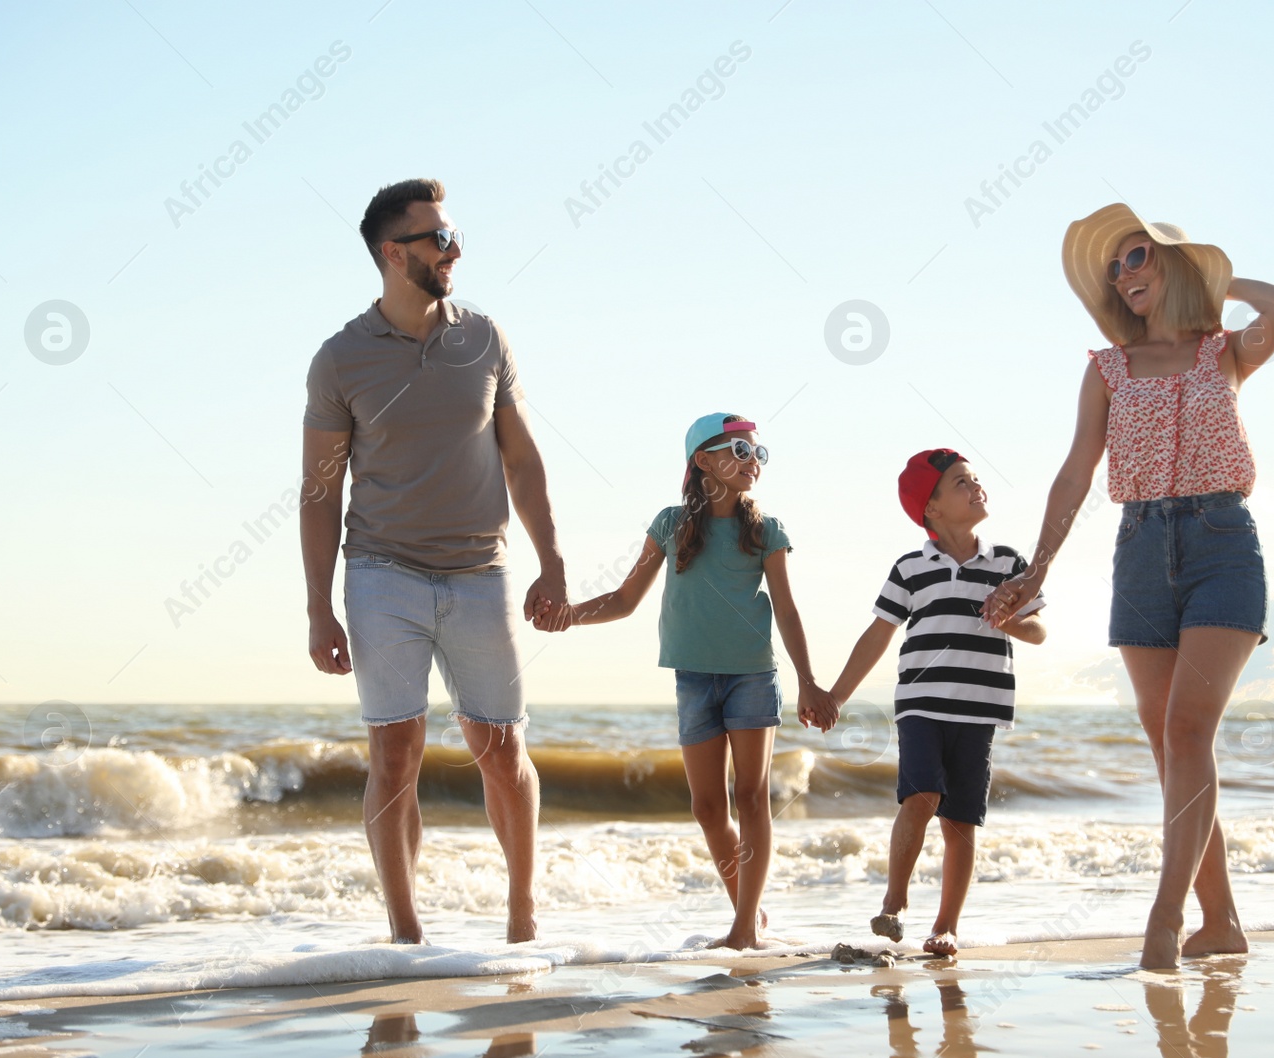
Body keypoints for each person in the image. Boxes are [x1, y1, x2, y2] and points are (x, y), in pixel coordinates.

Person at [983, 203, 1274, 969]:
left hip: (1223, 544)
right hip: (1138, 548)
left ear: (1171, 264)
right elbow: (1074, 473)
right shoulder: (1105, 370)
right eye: (1114, 269)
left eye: (1137, 259)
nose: (1122, 277)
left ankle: (1163, 918)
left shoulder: (1223, 352)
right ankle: (1220, 919)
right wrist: (1039, 566)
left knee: (1188, 732)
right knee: (1171, 746)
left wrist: (1210, 283)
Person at [299, 178, 570, 945]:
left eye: (452, 235)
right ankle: (406, 932)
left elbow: (522, 460)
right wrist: (320, 607)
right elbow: (320, 494)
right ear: (393, 252)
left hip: (481, 570)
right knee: (395, 749)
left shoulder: (485, 337)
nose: (455, 250)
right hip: (382, 573)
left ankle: (522, 918)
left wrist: (550, 560)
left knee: (501, 745)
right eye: (438, 238)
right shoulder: (341, 359)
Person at [542, 413, 834, 949]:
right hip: (693, 679)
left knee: (751, 798)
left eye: (757, 454)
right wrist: (570, 614)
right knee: (706, 808)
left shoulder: (766, 531)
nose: (753, 463)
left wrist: (810, 681)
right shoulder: (671, 524)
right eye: (739, 451)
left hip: (752, 675)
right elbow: (626, 600)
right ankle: (749, 910)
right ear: (703, 460)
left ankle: (744, 928)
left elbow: (788, 612)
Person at [823, 449, 1046, 957]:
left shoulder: (1008, 563)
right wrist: (838, 695)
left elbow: (1038, 631)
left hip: (980, 707)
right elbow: (878, 634)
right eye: (961, 482)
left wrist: (1008, 617)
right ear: (933, 508)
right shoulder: (911, 568)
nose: (976, 487)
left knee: (961, 818)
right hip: (921, 701)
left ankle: (946, 926)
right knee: (920, 796)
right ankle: (895, 901)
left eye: (975, 478)